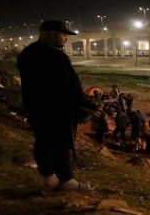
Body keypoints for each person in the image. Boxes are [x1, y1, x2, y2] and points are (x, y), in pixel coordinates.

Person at [16, 20, 97, 191]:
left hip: (36, 108)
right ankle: (66, 180)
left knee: (43, 141)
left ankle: (48, 176)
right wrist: (90, 104)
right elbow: (71, 87)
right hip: (59, 109)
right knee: (62, 143)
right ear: (52, 34)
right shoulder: (57, 57)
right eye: (64, 34)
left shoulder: (26, 54)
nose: (66, 38)